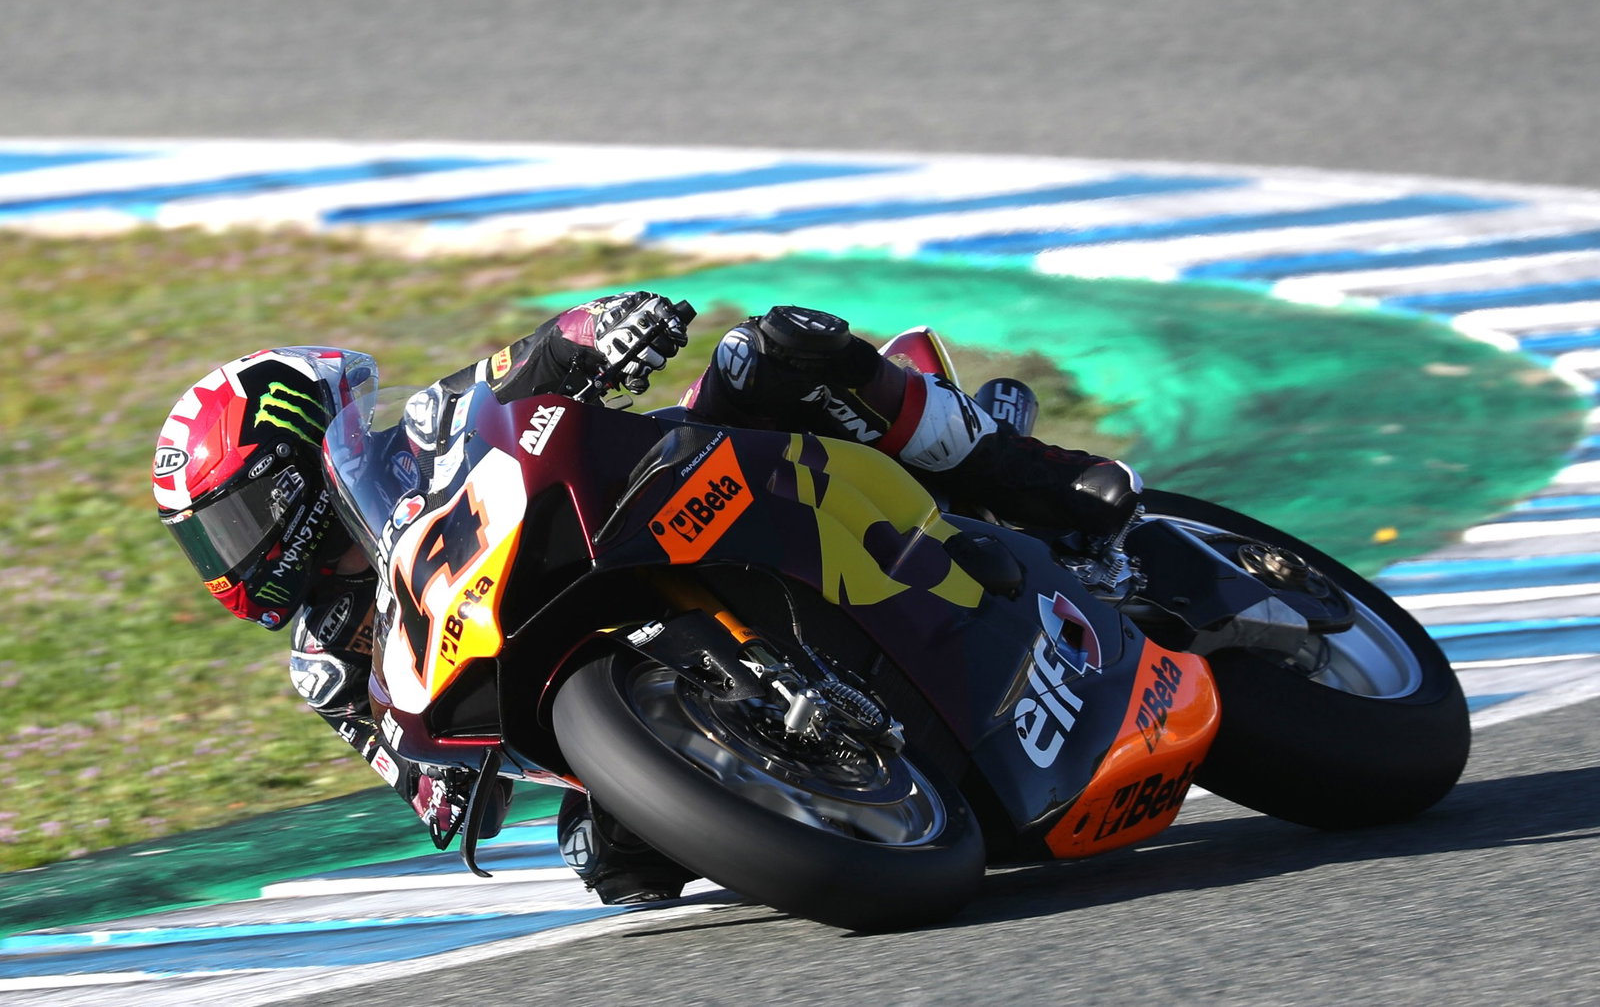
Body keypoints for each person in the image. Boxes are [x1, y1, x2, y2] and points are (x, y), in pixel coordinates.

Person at [152, 292, 1141, 905]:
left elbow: (530, 365)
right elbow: (438, 793)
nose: (226, 562)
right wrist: (466, 781)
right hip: (573, 699)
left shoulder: (423, 424)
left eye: (228, 524)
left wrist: (604, 330)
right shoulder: (326, 656)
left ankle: (1021, 475)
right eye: (205, 541)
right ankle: (815, 770)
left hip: (652, 510)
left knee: (772, 353)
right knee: (618, 867)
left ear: (289, 469)